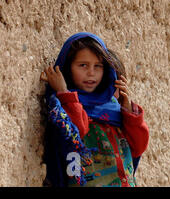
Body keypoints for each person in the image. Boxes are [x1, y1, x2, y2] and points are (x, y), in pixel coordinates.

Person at [40, 32, 149, 187]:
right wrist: (65, 93)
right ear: (68, 68)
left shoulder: (115, 112)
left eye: (98, 66)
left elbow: (138, 146)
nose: (91, 72)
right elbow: (75, 132)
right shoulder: (66, 106)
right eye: (83, 65)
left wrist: (127, 108)